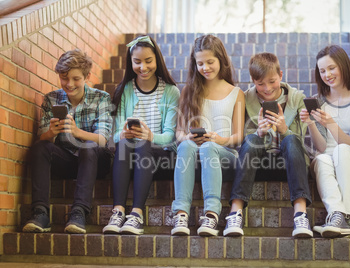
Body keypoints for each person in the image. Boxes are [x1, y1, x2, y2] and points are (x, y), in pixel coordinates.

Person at [23, 49, 113, 234]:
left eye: (75, 79)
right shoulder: (51, 99)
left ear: (87, 76)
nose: (69, 84)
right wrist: (51, 133)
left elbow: (103, 140)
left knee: (88, 147)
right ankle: (40, 213)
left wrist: (77, 132)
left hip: (95, 161)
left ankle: (79, 213)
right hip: (66, 159)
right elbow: (43, 137)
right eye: (64, 78)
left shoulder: (101, 98)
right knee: (40, 147)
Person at [225, 52, 313, 238]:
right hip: (258, 163)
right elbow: (242, 138)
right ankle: (235, 212)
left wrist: (283, 130)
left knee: (290, 139)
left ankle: (301, 214)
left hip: (290, 163)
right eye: (260, 84)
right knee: (252, 140)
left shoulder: (297, 98)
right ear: (253, 81)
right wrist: (259, 133)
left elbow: (299, 140)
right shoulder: (246, 98)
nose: (267, 88)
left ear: (281, 75)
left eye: (272, 81)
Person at [102, 35, 180, 235]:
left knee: (143, 143)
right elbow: (116, 134)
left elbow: (171, 136)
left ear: (157, 61)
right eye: (137, 62)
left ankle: (136, 214)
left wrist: (150, 136)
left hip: (161, 154)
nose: (143, 67)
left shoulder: (171, 91)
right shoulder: (125, 89)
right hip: (130, 153)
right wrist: (125, 133)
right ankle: (118, 210)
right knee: (125, 144)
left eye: (148, 61)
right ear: (131, 62)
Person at [171, 34, 245, 237]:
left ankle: (211, 214)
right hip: (195, 150)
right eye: (200, 63)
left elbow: (238, 136)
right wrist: (187, 138)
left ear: (221, 60)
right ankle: (180, 213)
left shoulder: (236, 93)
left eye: (210, 62)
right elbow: (178, 132)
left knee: (208, 146)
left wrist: (218, 139)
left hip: (224, 152)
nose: (205, 67)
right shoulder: (188, 91)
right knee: (185, 146)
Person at [300, 45, 350, 238]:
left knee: (341, 150)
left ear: (343, 66)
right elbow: (322, 147)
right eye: (322, 71)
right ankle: (336, 215)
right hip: (329, 158)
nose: (327, 74)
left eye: (331, 68)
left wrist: (330, 123)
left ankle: (344, 215)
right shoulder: (319, 101)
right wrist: (311, 124)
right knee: (322, 158)